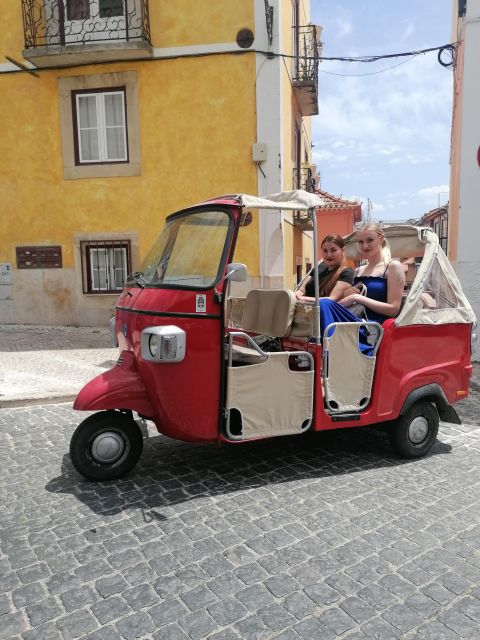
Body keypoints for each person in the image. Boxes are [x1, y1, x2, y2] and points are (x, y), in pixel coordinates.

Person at [295, 234, 354, 302]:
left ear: (343, 251)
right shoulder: (319, 267)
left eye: (333, 250)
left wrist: (302, 298)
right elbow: (302, 291)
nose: (329, 255)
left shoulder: (347, 272)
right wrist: (293, 296)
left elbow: (331, 299)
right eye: (325, 251)